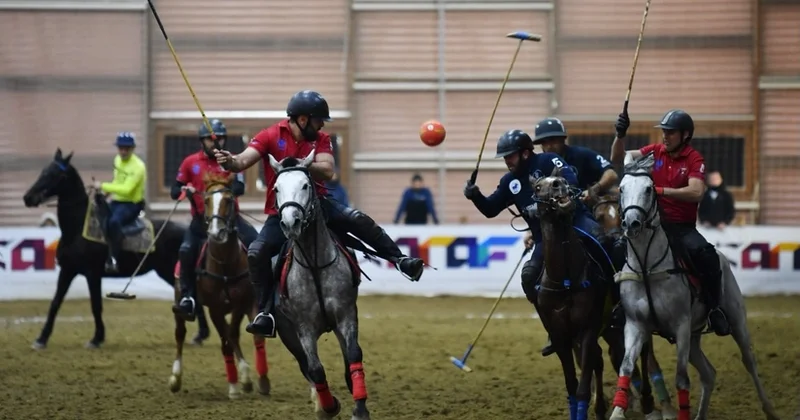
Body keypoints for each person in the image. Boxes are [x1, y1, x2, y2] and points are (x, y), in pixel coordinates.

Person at [213, 90, 426, 338]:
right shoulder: (270, 135)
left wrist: (299, 164)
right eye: (318, 120)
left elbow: (327, 171)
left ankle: (401, 260)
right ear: (302, 120)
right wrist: (228, 161)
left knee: (358, 219)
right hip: (280, 213)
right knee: (256, 252)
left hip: (319, 205)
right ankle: (266, 313)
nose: (322, 125)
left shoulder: (322, 138)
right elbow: (241, 162)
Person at [463, 129, 614, 356]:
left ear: (524, 153)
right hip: (547, 238)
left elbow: (571, 181)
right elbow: (491, 209)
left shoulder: (547, 160)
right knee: (529, 277)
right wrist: (475, 195)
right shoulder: (510, 181)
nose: (507, 161)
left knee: (604, 243)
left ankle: (618, 303)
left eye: (509, 156)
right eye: (504, 157)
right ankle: (554, 329)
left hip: (576, 223)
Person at [611, 108, 731, 336]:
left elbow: (696, 192)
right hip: (653, 226)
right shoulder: (654, 152)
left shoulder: (694, 158)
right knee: (617, 250)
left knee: (707, 255)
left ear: (685, 135)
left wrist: (660, 191)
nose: (665, 136)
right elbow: (618, 157)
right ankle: (620, 305)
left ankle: (715, 310)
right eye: (664, 132)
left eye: (671, 132)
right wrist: (620, 134)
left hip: (682, 228)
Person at [529, 117, 627, 332]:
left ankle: (618, 302)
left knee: (610, 248)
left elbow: (611, 173)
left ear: (564, 139)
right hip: (555, 225)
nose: (548, 146)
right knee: (536, 272)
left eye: (553, 140)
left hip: (587, 216)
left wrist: (594, 190)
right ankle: (554, 324)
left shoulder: (580, 155)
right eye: (544, 142)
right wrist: (531, 230)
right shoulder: (541, 164)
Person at [171, 119, 260, 321]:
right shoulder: (190, 162)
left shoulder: (231, 161)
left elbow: (240, 188)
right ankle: (188, 298)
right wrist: (185, 190)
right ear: (202, 141)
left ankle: (262, 297)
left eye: (219, 138)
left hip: (230, 220)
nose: (215, 143)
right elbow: (174, 191)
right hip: (200, 222)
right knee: (186, 251)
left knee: (256, 244)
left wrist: (224, 191)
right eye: (211, 140)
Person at [92, 132, 146, 273]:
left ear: (133, 149)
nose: (123, 151)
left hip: (132, 204)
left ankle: (114, 258)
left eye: (126, 148)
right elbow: (118, 181)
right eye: (120, 148)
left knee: (114, 222)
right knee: (97, 214)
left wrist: (103, 185)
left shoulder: (138, 167)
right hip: (117, 201)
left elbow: (127, 190)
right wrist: (105, 194)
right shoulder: (117, 160)